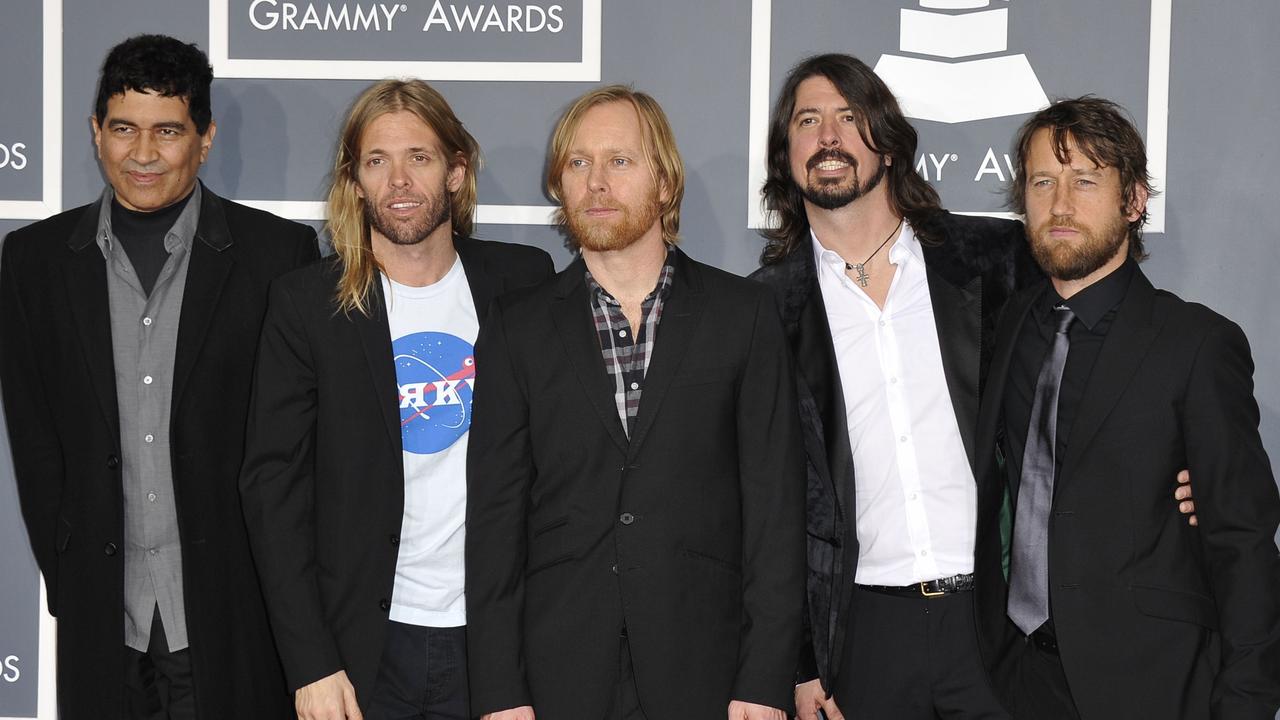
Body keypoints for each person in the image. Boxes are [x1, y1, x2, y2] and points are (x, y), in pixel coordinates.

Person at [0, 34, 318, 719]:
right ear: (96, 132)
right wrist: (73, 578)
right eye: (124, 129)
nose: (143, 154)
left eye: (168, 131)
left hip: (234, 617)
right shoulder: (31, 262)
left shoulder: (278, 257)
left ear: (204, 139)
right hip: (100, 621)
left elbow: (295, 450)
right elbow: (35, 443)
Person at [464, 85, 805, 720]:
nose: (597, 182)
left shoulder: (743, 316)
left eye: (620, 161)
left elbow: (775, 516)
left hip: (708, 666)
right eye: (578, 163)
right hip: (558, 671)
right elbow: (494, 525)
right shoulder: (518, 327)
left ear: (666, 180)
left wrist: (765, 678)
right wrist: (498, 691)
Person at [239, 78, 552, 720]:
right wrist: (311, 662)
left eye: (419, 157)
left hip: (494, 641)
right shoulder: (308, 304)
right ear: (355, 180)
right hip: (362, 649)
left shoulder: (521, 282)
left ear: (458, 170)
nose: (399, 181)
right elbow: (273, 491)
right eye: (377, 161)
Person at [748, 53, 1037, 720]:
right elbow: (763, 506)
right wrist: (800, 659)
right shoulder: (762, 311)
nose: (828, 137)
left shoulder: (996, 262)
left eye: (849, 118)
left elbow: (1085, 383)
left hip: (995, 622)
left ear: (888, 140)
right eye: (808, 120)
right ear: (785, 154)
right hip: (862, 639)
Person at [974, 96, 1280, 719]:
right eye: (1043, 182)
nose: (1060, 204)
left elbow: (1243, 542)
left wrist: (1246, 703)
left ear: (1134, 200)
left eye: (1085, 180)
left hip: (1151, 683)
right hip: (1014, 681)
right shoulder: (1010, 326)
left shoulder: (1196, 344)